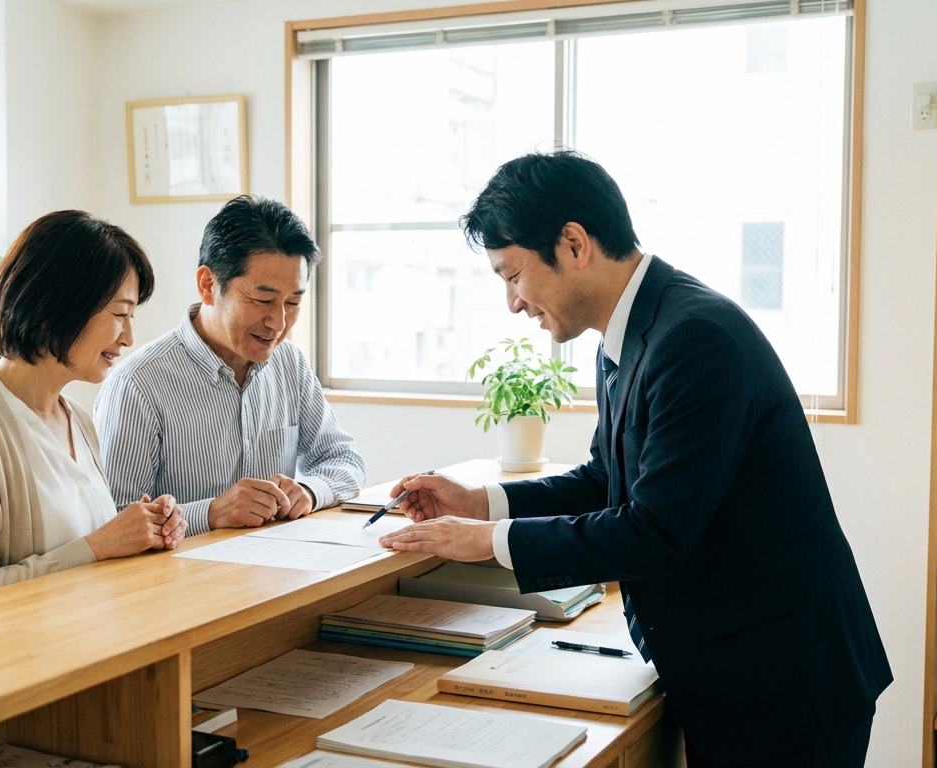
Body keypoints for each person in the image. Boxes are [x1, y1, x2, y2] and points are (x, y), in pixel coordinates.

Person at [378, 152, 892, 767]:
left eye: (512, 274)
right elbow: (606, 480)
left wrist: (486, 539)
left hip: (781, 678)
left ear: (573, 244)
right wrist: (479, 500)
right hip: (730, 660)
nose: (512, 302)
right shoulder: (630, 333)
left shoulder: (695, 337)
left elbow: (655, 530)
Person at [0, 211, 187, 609]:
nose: (128, 337)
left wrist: (146, 533)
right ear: (59, 304)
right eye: (120, 314)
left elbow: (87, 560)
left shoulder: (78, 420)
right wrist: (98, 546)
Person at [95, 195, 364, 536]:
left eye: (293, 301)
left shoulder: (289, 364)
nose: (278, 322)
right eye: (263, 300)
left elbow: (345, 461)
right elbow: (114, 518)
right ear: (208, 285)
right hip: (183, 583)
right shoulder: (138, 383)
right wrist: (210, 512)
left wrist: (310, 490)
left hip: (276, 570)